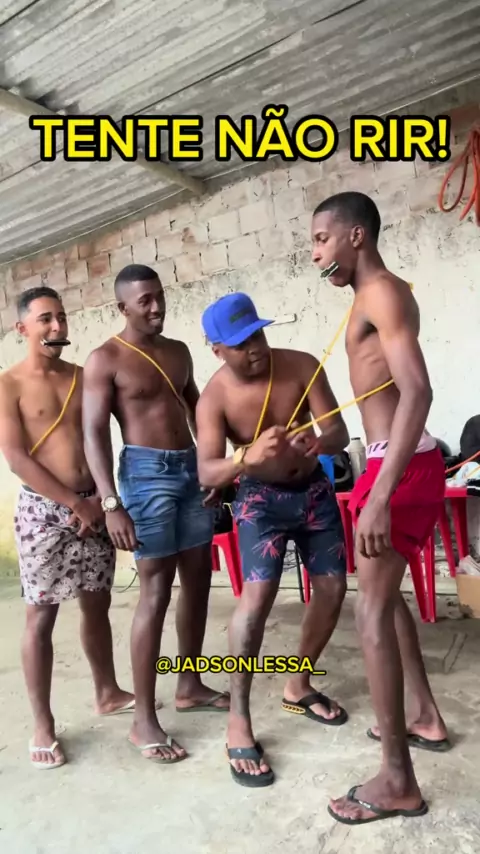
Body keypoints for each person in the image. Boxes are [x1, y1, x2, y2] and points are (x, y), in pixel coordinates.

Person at [310, 191, 449, 825]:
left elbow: (417, 390)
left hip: (398, 462)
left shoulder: (383, 294)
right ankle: (424, 715)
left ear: (356, 236)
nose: (316, 255)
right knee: (385, 599)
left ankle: (397, 780)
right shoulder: (369, 297)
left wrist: (382, 493)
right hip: (391, 458)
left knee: (368, 609)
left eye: (322, 239)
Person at [195, 291, 350, 787]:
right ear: (217, 349)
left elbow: (340, 431)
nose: (255, 348)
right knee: (257, 598)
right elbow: (207, 471)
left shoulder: (302, 365)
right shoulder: (214, 398)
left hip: (314, 491)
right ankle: (238, 718)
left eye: (258, 335)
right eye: (241, 343)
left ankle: (298, 684)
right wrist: (246, 457)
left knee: (333, 589)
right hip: (260, 500)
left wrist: (319, 440)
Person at [82, 264, 229, 765]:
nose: (156, 306)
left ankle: (190, 684)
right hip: (146, 476)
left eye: (159, 296)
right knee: (156, 591)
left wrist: (215, 466)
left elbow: (200, 411)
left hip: (190, 469)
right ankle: (143, 718)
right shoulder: (105, 360)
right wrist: (110, 502)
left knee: (199, 579)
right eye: (144, 300)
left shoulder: (179, 351)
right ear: (122, 307)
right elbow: (94, 433)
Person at [0, 287, 134, 770]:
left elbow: (99, 439)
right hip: (44, 512)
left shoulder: (82, 377)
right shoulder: (8, 384)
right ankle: (43, 724)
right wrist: (74, 502)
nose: (57, 327)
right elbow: (15, 457)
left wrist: (101, 499)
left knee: (97, 603)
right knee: (41, 617)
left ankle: (107, 691)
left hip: (94, 505)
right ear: (22, 328)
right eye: (45, 319)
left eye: (61, 317)